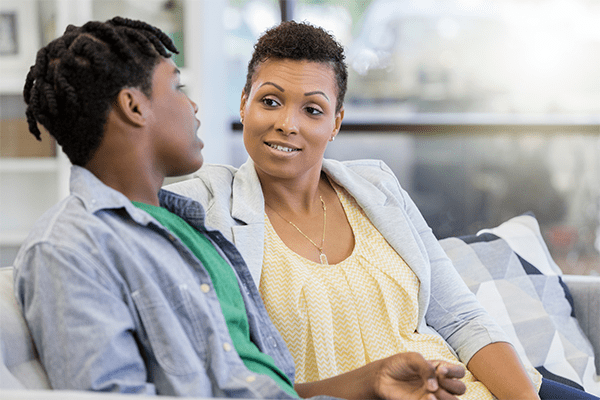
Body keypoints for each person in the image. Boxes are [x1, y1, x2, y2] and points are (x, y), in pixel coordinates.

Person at [14, 16, 467, 400]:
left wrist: (368, 381)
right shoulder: (70, 248)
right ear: (134, 106)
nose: (192, 105)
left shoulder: (187, 229)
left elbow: (256, 386)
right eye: (177, 87)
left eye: (312, 110)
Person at [167, 20, 599, 400]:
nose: (288, 124)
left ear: (335, 122)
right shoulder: (207, 206)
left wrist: (523, 398)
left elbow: (462, 317)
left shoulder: (377, 188)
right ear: (243, 102)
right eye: (270, 101)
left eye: (312, 109)